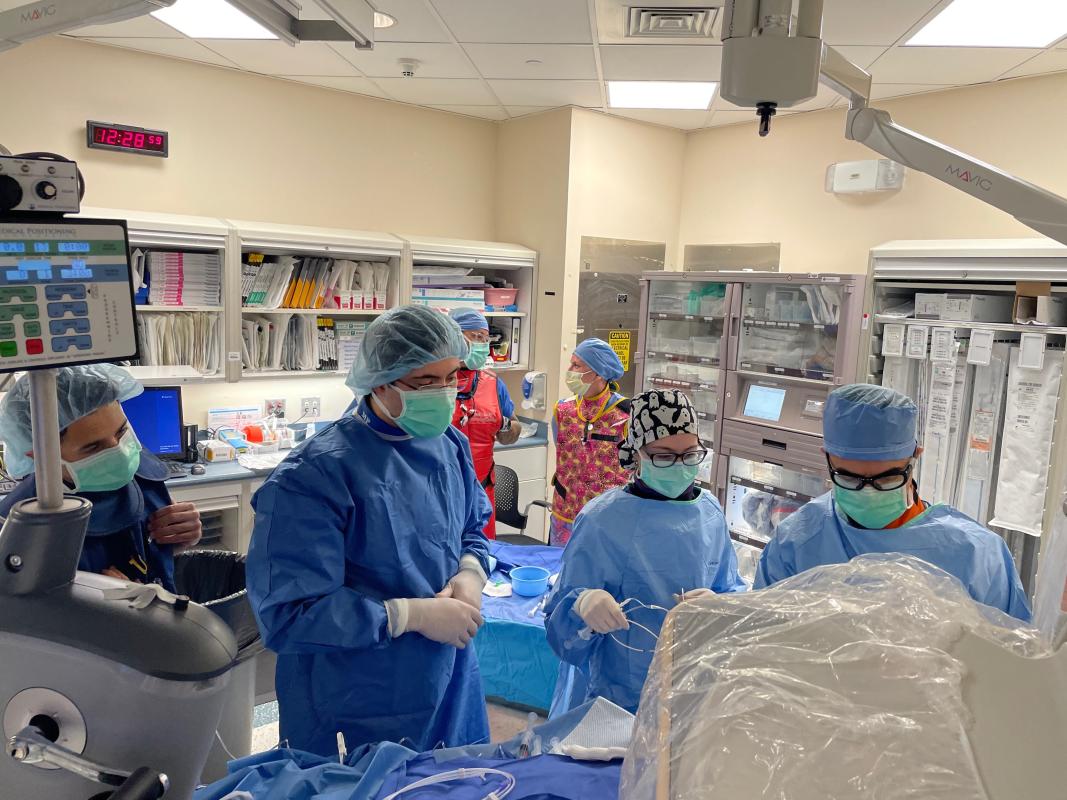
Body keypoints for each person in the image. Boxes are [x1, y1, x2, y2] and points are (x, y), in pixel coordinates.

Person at [246, 305, 493, 757]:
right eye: (425, 382)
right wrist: (408, 616)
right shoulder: (314, 476)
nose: (443, 393)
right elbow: (288, 613)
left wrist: (471, 573)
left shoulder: (449, 445)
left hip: (448, 677)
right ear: (381, 380)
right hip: (354, 693)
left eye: (452, 377)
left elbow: (472, 526)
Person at [755, 383, 1031, 622]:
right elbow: (759, 642)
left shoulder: (975, 553)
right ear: (826, 457)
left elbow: (1011, 658)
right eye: (849, 479)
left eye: (886, 480)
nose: (868, 493)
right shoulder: (796, 542)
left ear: (915, 458)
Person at [545, 390, 746, 714]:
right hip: (613, 699)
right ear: (637, 453)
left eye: (690, 455)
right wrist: (581, 605)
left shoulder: (709, 512)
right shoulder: (602, 520)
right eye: (664, 456)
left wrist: (719, 606)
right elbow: (560, 631)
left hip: (689, 691)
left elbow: (731, 589)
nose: (679, 467)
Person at [0, 365, 202, 590]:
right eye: (93, 447)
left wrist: (182, 536)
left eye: (121, 431)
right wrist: (108, 611)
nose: (120, 453)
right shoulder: (20, 530)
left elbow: (151, 557)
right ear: (38, 455)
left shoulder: (141, 473)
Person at [549, 338, 631, 547]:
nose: (570, 370)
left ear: (598, 373)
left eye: (576, 365)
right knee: (560, 573)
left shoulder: (625, 415)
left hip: (606, 520)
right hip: (564, 515)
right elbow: (562, 451)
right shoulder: (562, 411)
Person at [449, 307, 521, 538]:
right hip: (442, 491)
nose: (482, 343)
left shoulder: (492, 382)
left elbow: (511, 432)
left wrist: (504, 425)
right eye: (476, 336)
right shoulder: (434, 380)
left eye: (485, 337)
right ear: (453, 337)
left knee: (482, 557)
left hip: (482, 489)